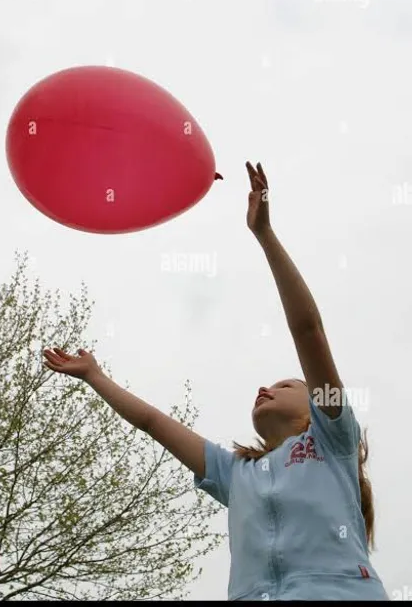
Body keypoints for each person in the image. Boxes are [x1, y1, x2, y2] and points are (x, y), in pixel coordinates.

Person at [43, 161, 389, 601]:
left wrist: (264, 234)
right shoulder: (234, 473)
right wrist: (95, 376)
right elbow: (150, 421)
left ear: (314, 407)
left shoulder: (332, 440)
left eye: (285, 385)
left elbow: (308, 330)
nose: (267, 388)